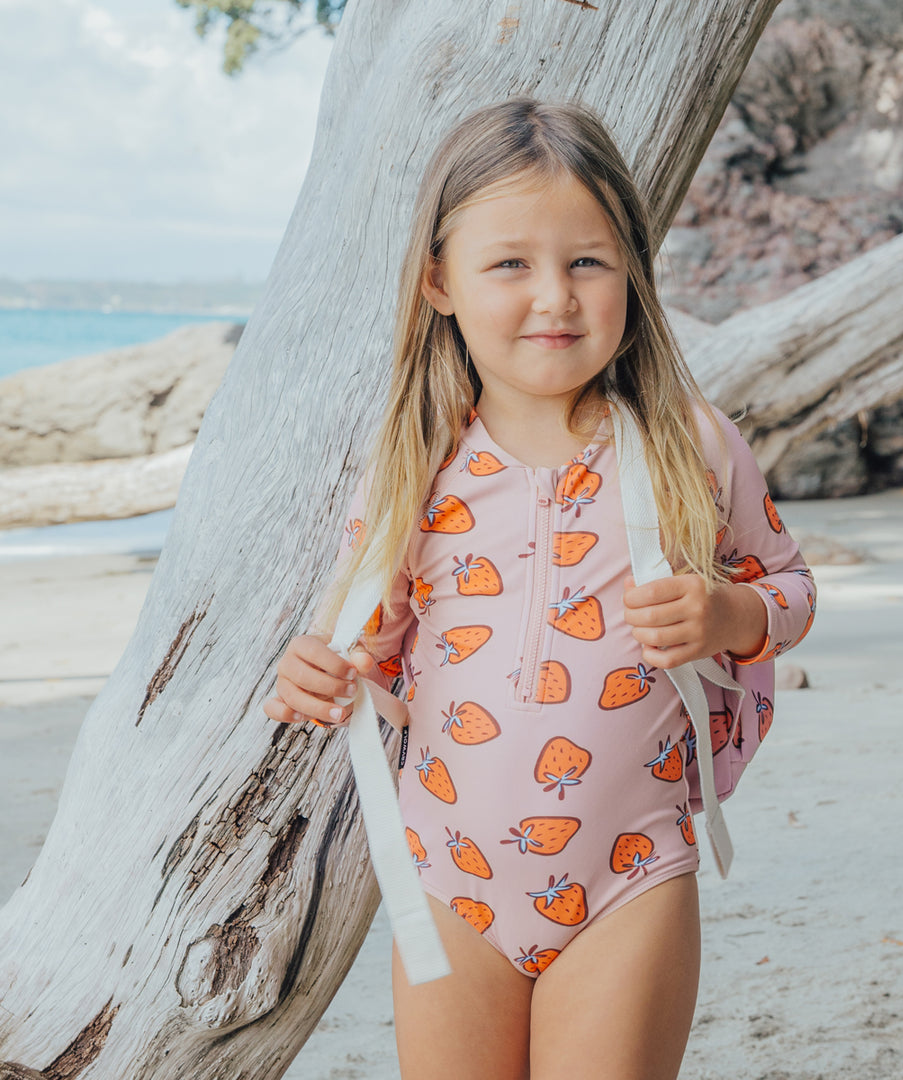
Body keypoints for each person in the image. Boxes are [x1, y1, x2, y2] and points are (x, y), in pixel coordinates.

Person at [263, 98, 815, 1080]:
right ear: (439, 279)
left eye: (587, 262)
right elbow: (366, 651)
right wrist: (313, 672)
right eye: (510, 263)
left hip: (628, 881)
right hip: (448, 890)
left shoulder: (687, 447)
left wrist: (726, 614)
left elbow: (790, 590)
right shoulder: (413, 467)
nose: (555, 296)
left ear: (632, 274)